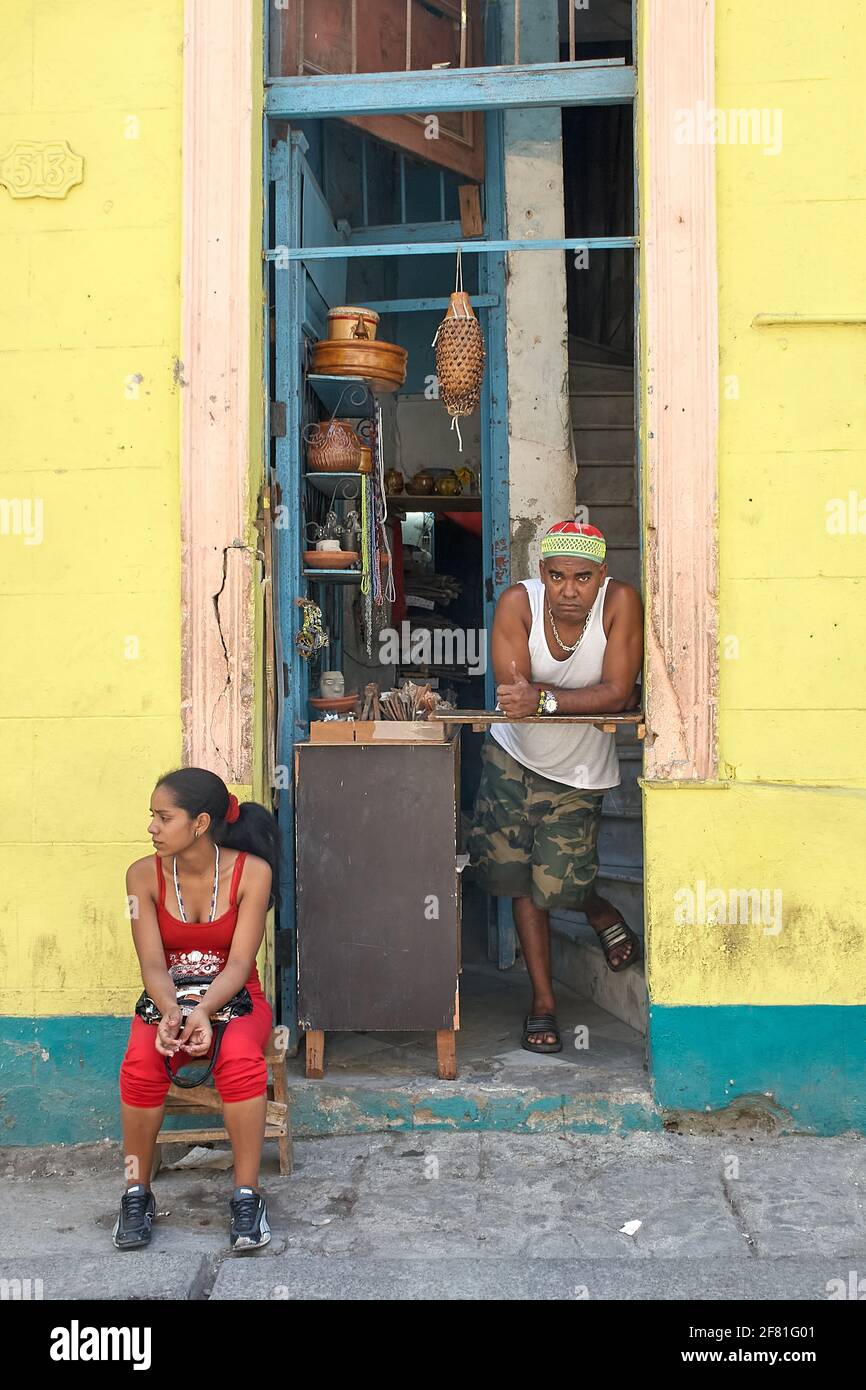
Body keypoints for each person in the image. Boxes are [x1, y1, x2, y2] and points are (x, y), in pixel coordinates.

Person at [468, 521, 644, 1053]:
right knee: (517, 879)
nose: (570, 590)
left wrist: (545, 701)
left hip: (580, 771)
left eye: (583, 577)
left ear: (602, 576)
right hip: (513, 759)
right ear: (541, 574)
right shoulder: (519, 604)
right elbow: (513, 695)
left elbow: (616, 693)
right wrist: (551, 699)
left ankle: (597, 910)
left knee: (560, 883)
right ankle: (543, 1002)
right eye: (558, 576)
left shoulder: (620, 604)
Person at [114, 768, 280, 1252]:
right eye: (152, 817)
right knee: (141, 1066)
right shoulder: (140, 877)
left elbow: (240, 964)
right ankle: (135, 1192)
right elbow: (150, 963)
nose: (152, 828)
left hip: (235, 997)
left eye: (164, 818)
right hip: (167, 999)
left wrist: (204, 1010)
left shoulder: (254, 873)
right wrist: (171, 1012)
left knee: (241, 1064)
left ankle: (247, 1195)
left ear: (201, 822)